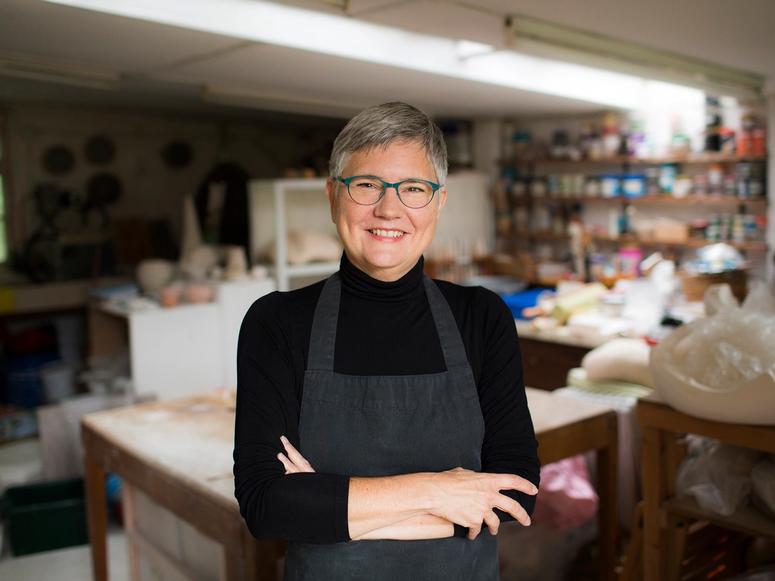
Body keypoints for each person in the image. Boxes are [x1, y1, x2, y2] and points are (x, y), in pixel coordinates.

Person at [233, 101, 540, 580]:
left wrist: (330, 508)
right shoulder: (276, 322)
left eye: (413, 188)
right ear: (334, 195)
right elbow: (266, 506)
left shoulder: (482, 318)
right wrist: (440, 492)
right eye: (367, 185)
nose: (389, 209)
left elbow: (514, 497)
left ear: (438, 201)